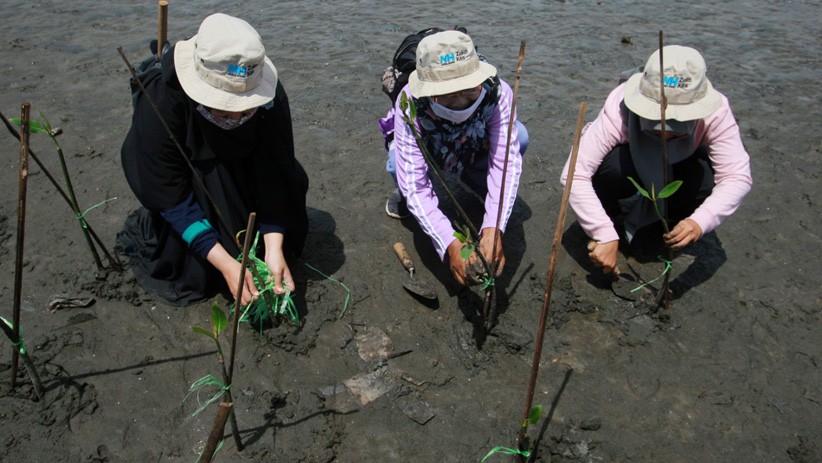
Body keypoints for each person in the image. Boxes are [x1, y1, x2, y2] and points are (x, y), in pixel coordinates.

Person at [118, 13, 308, 306]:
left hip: (249, 171)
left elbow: (275, 170)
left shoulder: (269, 99)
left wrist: (273, 244)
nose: (237, 118)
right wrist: (225, 263)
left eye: (246, 110)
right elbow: (167, 189)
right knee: (201, 272)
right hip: (196, 184)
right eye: (224, 110)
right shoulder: (161, 101)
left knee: (284, 229)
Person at [561, 45, 752, 274]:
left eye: (677, 126)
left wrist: (700, 222)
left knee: (706, 180)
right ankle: (613, 217)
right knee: (612, 166)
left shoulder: (717, 112)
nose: (666, 133)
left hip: (679, 172)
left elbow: (736, 176)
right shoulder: (619, 106)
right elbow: (574, 173)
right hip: (630, 170)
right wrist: (603, 232)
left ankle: (668, 223)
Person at [380, 30, 528, 286]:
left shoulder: (499, 93)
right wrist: (450, 243)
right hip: (431, 146)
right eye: (447, 94)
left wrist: (494, 226)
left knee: (521, 137)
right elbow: (415, 186)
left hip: (472, 142)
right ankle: (410, 197)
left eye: (468, 90)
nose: (459, 101)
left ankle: (474, 179)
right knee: (398, 167)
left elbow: (505, 163)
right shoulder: (409, 104)